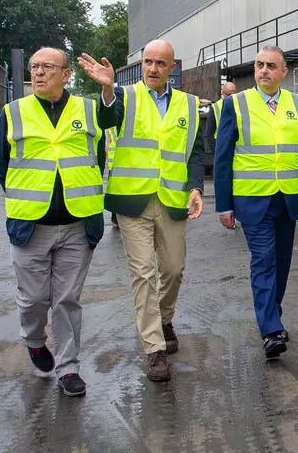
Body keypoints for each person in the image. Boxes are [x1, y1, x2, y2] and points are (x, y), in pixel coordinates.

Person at [78, 41, 206, 383]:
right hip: (133, 200)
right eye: (148, 61)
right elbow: (106, 118)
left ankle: (164, 318)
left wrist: (196, 187)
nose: (153, 68)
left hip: (173, 200)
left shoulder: (189, 104)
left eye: (160, 63)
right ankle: (154, 348)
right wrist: (107, 89)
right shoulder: (124, 96)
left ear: (172, 67)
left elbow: (194, 152)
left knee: (174, 269)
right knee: (143, 273)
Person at [0, 47, 114, 397]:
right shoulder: (13, 112)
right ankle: (34, 341)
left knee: (66, 300)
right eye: (34, 67)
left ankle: (68, 368)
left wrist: (108, 88)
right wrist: (29, 196)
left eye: (47, 66)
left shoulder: (88, 110)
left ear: (66, 74)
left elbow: (99, 157)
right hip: (31, 226)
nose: (39, 72)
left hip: (77, 225)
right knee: (33, 299)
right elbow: (2, 166)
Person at [214, 46, 298, 360]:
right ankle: (271, 330)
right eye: (260, 64)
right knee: (264, 259)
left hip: (288, 199)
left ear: (283, 72)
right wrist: (224, 206)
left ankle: (273, 313)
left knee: (282, 263)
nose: (264, 70)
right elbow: (222, 158)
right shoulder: (236, 103)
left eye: (271, 66)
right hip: (252, 199)